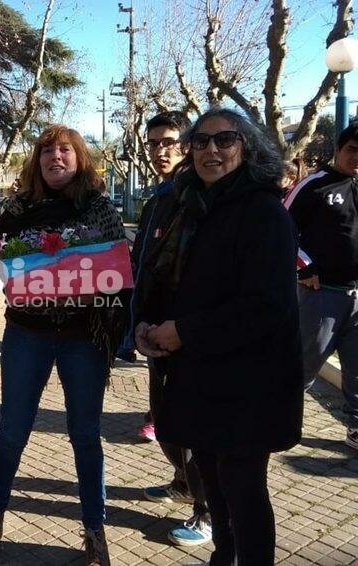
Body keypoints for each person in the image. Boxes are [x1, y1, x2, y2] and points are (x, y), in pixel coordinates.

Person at [135, 108, 303, 565]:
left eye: (225, 140)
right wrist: (150, 325)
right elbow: (172, 280)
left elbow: (267, 306)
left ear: (246, 149)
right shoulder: (192, 206)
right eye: (202, 142)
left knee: (244, 498)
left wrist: (183, 332)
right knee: (216, 494)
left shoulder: (262, 211)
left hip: (250, 387)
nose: (212, 150)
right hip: (202, 379)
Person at [0, 125, 127, 566]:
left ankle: (95, 533)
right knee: (12, 432)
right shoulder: (19, 205)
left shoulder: (98, 207)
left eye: (64, 150)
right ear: (36, 161)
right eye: (45, 151)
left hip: (83, 339)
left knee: (85, 436)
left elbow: (119, 265)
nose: (54, 157)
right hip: (27, 335)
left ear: (79, 158)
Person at [126, 111, 213, 548]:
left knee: (192, 428)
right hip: (156, 331)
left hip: (187, 337)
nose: (161, 150)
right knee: (164, 419)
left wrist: (181, 327)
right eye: (154, 142)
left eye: (170, 141)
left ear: (188, 144)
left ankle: (209, 511)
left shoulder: (196, 196)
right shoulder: (160, 197)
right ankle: (183, 484)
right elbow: (147, 263)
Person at [284, 123, 358, 450]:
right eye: (352, 149)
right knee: (304, 365)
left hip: (356, 296)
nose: (357, 158)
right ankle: (278, 417)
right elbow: (281, 229)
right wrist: (304, 266)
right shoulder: (314, 186)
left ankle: (356, 428)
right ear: (338, 149)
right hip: (320, 295)